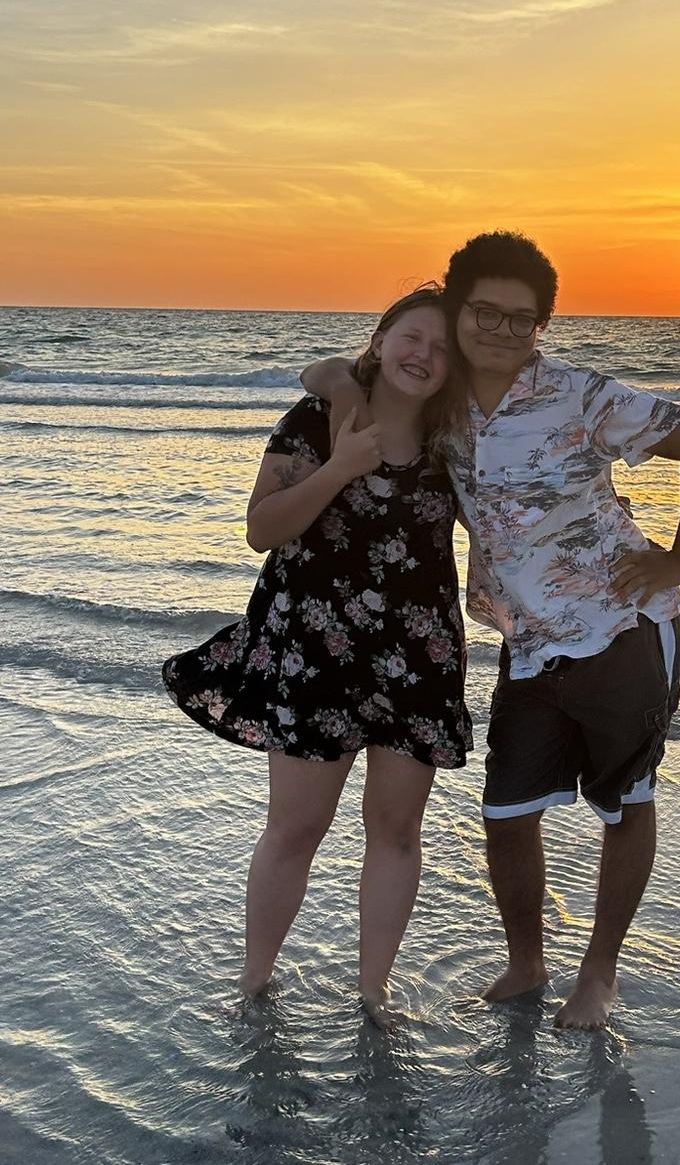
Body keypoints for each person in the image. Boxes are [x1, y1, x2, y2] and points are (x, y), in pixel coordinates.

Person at [305, 232, 680, 1030]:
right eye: (486, 313)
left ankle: (598, 975)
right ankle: (528, 961)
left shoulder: (580, 396)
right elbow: (338, 372)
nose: (501, 331)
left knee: (626, 802)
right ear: (457, 310)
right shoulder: (442, 401)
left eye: (522, 320)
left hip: (624, 628)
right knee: (506, 813)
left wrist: (679, 559)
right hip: (528, 642)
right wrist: (332, 380)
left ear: (543, 327)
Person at [162, 286, 471, 1028]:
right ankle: (255, 981)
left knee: (396, 831)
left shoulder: (452, 438)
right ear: (383, 335)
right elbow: (261, 529)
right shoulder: (316, 419)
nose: (423, 356)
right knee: (298, 827)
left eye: (441, 348)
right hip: (314, 652)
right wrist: (341, 465)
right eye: (412, 337)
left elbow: (501, 518)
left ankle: (373, 992)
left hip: (418, 655)